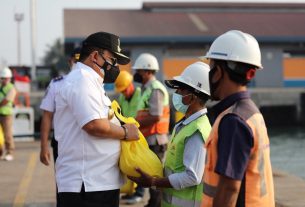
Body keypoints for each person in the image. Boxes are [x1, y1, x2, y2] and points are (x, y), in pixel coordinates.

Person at [53, 31, 139, 207]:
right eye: (112, 60)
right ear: (94, 56)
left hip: (96, 183)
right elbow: (93, 125)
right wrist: (125, 132)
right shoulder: (83, 81)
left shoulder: (90, 81)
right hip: (87, 186)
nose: (115, 66)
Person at [201, 30, 275, 207]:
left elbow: (229, 188)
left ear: (218, 72)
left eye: (210, 69)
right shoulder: (251, 113)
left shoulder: (233, 120)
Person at [128, 62, 211, 207]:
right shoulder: (185, 124)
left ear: (193, 97)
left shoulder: (197, 130)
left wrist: (153, 182)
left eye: (181, 90)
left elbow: (192, 177)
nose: (176, 94)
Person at [39, 47, 81, 206]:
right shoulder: (57, 84)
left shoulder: (95, 84)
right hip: (62, 143)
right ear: (70, 62)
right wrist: (43, 146)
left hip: (87, 143)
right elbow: (47, 115)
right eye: (75, 61)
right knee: (64, 184)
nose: (77, 65)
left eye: (80, 61)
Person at [133, 53, 170, 207]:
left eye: (139, 71)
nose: (137, 74)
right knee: (149, 174)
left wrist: (135, 123)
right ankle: (152, 203)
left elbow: (155, 116)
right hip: (149, 138)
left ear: (148, 71)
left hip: (156, 139)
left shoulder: (155, 89)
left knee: (153, 175)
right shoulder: (146, 89)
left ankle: (155, 204)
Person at [0, 67, 17, 161]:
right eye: (2, 78)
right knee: (0, 136)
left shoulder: (11, 88)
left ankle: (9, 152)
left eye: (5, 78)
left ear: (9, 78)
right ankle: (1, 152)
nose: (3, 80)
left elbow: (6, 100)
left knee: (7, 134)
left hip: (6, 115)